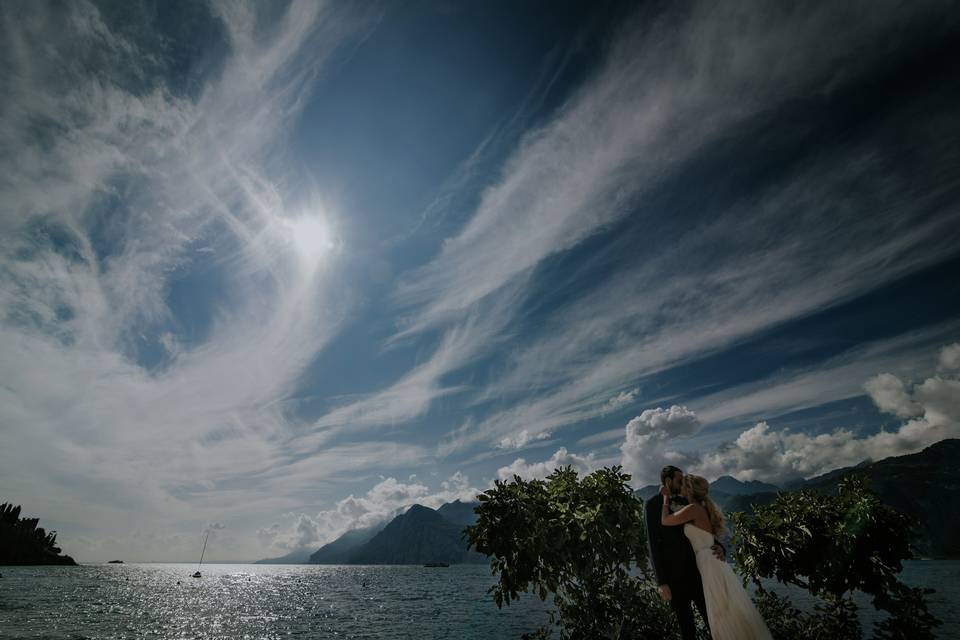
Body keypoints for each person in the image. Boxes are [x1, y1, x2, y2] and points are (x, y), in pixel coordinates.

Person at [660, 474, 773, 640]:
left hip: (707, 562)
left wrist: (665, 498)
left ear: (689, 489)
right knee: (723, 608)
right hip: (709, 559)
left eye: (683, 484)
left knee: (720, 609)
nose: (680, 487)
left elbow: (666, 520)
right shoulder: (701, 508)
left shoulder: (693, 509)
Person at [645, 465, 721, 640]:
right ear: (668, 480)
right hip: (674, 579)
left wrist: (719, 547)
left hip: (699, 572)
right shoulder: (653, 505)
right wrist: (661, 582)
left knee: (714, 622)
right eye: (680, 480)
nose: (682, 483)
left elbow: (702, 530)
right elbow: (653, 545)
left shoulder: (688, 502)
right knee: (687, 630)